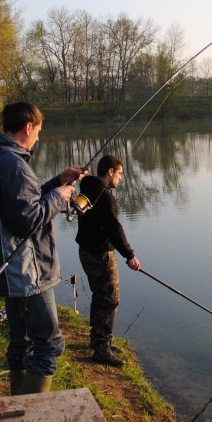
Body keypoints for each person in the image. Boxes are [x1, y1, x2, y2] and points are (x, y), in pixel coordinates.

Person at [0, 102, 87, 395]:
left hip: (12, 270)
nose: (38, 137)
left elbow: (21, 202)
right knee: (49, 346)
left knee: (21, 342)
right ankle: (29, 421)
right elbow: (27, 220)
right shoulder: (13, 165)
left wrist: (57, 183)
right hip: (26, 273)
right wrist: (61, 197)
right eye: (38, 131)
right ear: (28, 128)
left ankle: (18, 409)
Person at [75, 154, 141, 367]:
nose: (120, 179)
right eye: (119, 174)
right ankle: (101, 348)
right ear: (110, 172)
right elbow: (114, 229)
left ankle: (99, 340)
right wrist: (129, 255)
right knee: (109, 299)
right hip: (99, 255)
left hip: (86, 252)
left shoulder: (88, 189)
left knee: (100, 296)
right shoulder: (104, 196)